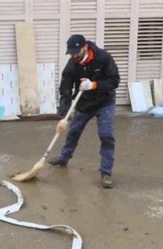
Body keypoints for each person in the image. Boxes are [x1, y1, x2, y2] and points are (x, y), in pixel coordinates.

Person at [48, 34, 120, 189]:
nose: (74, 55)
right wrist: (64, 115)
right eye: (71, 52)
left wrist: (93, 85)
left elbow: (114, 81)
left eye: (76, 51)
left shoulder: (103, 58)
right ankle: (64, 157)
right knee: (73, 131)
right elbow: (65, 89)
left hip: (104, 102)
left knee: (106, 135)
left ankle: (106, 171)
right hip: (84, 103)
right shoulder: (72, 64)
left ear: (85, 47)